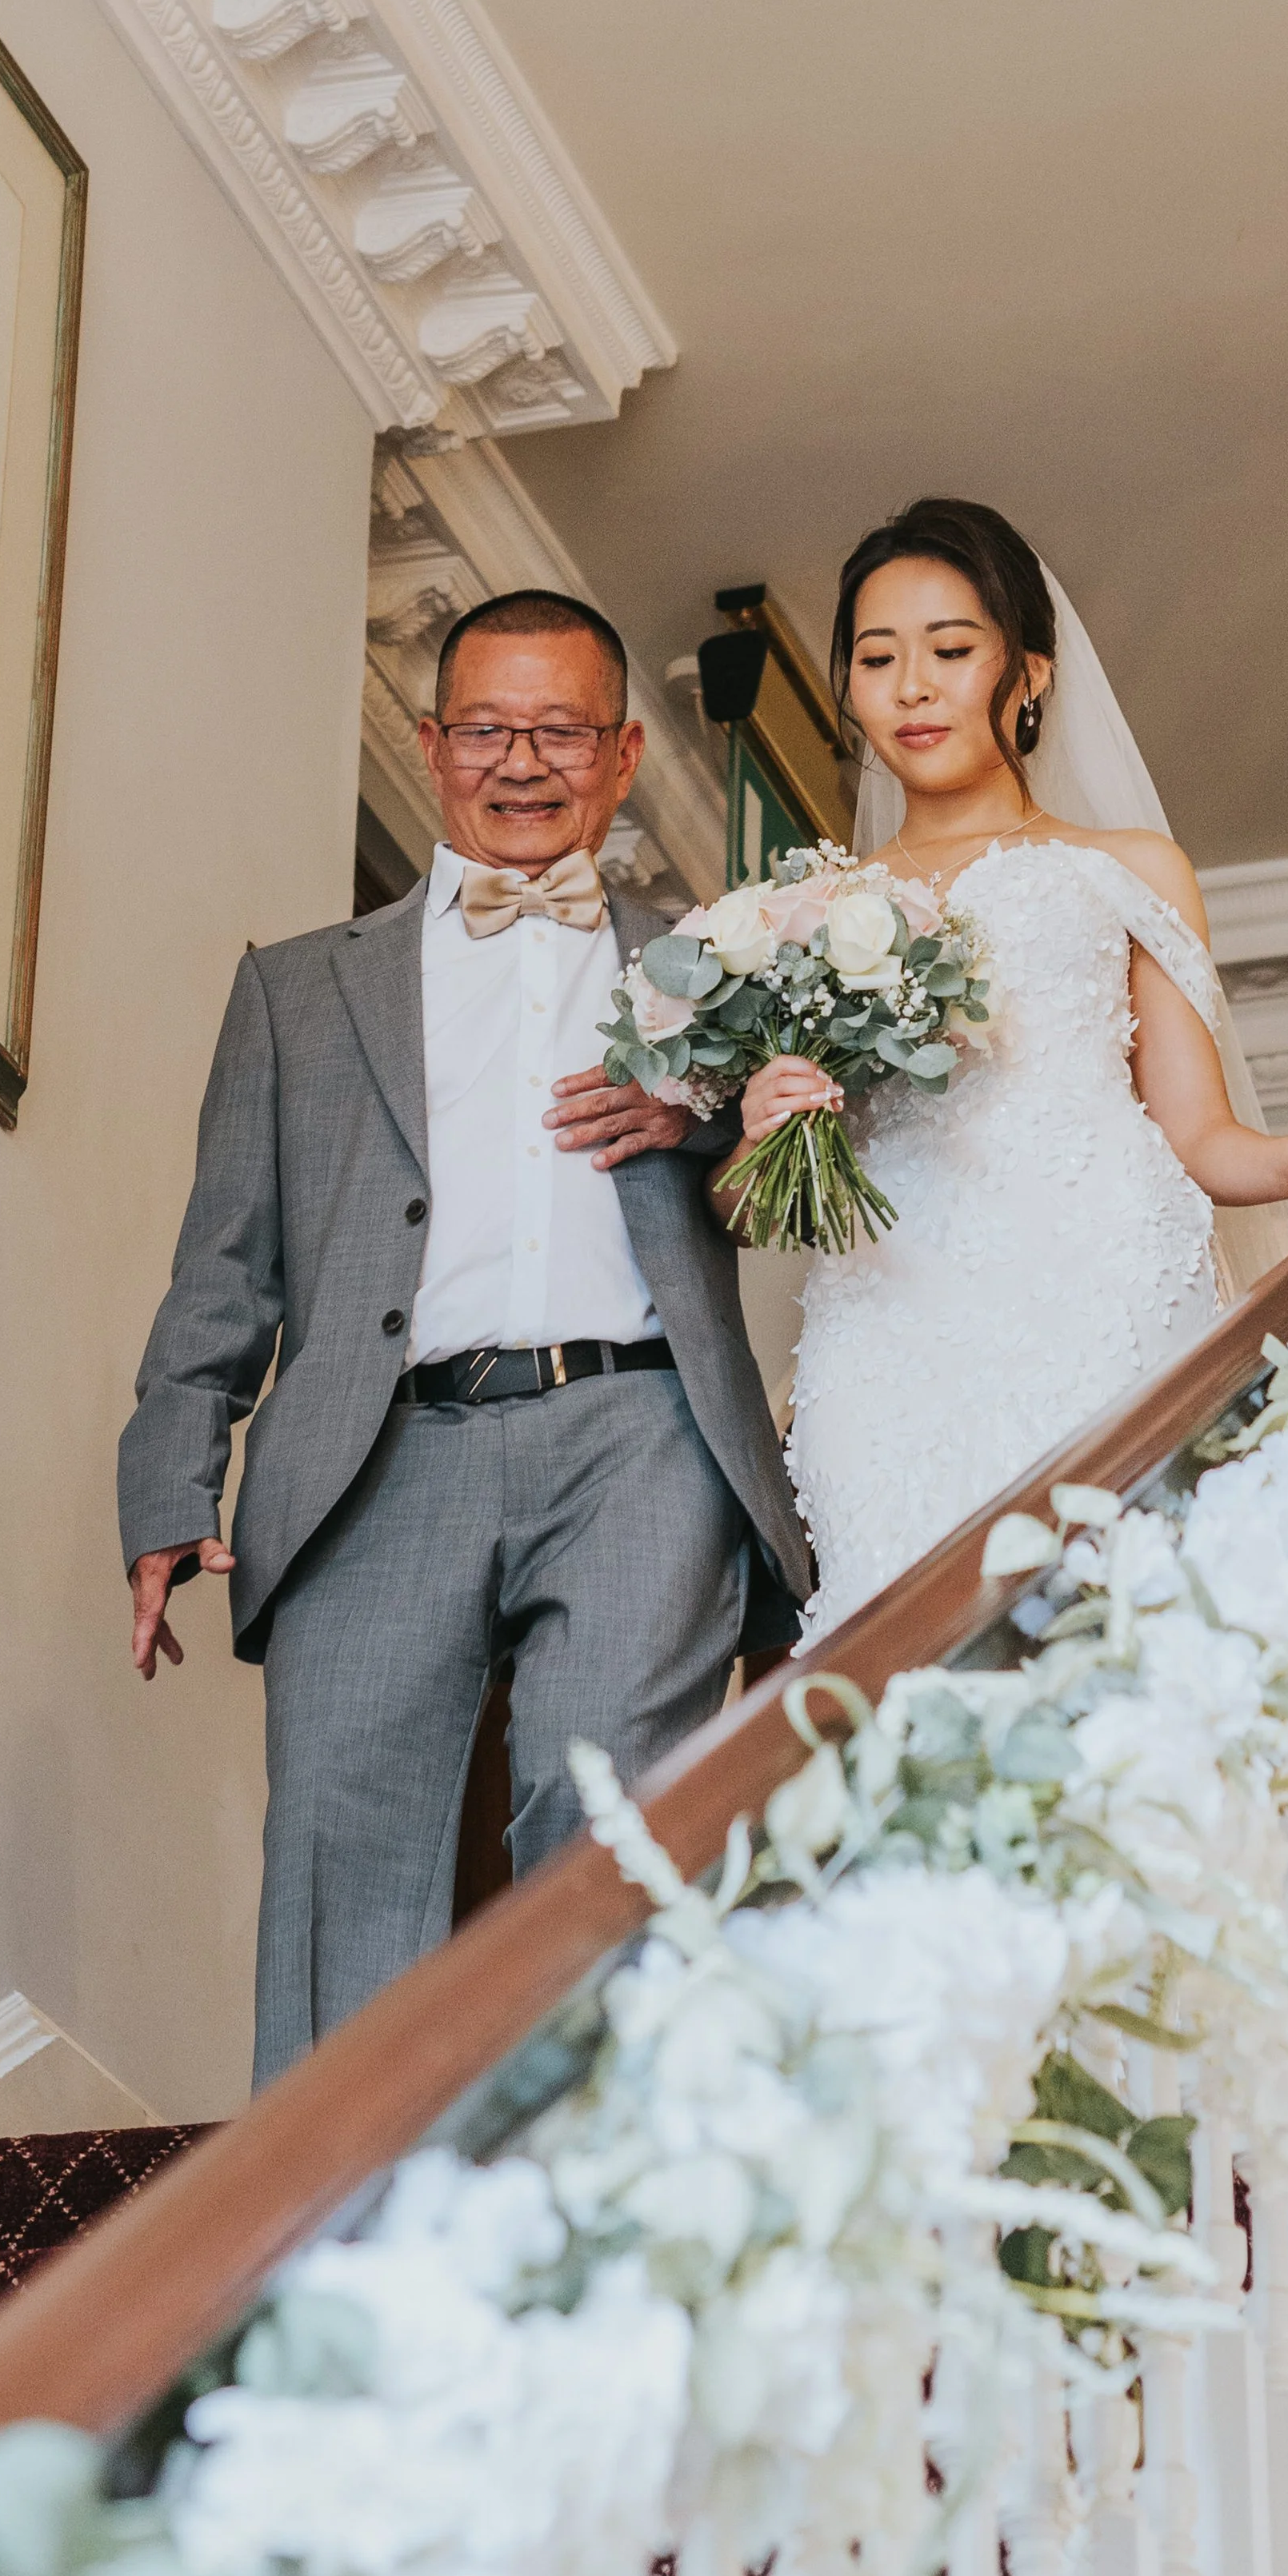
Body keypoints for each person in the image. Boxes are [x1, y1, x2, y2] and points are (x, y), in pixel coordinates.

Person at [120, 589, 808, 2082]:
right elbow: (223, 1266)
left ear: (623, 756)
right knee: (338, 1842)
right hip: (380, 1449)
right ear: (431, 746)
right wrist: (170, 1485)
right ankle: (338, 2263)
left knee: (611, 1808)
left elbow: (802, 1194)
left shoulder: (721, 962)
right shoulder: (297, 990)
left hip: (640, 1433)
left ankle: (602, 2208)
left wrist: (705, 1117)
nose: (522, 761)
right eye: (487, 727)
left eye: (560, 729)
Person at [726, 498, 1288, 1641]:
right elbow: (747, 1200)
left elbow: (1199, 1132)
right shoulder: (803, 913)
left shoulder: (1126, 869)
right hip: (886, 1331)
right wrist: (769, 1123)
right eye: (877, 658)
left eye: (951, 651)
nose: (912, 687)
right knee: (903, 1645)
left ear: (1029, 671)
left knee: (1124, 1628)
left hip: (1099, 1290)